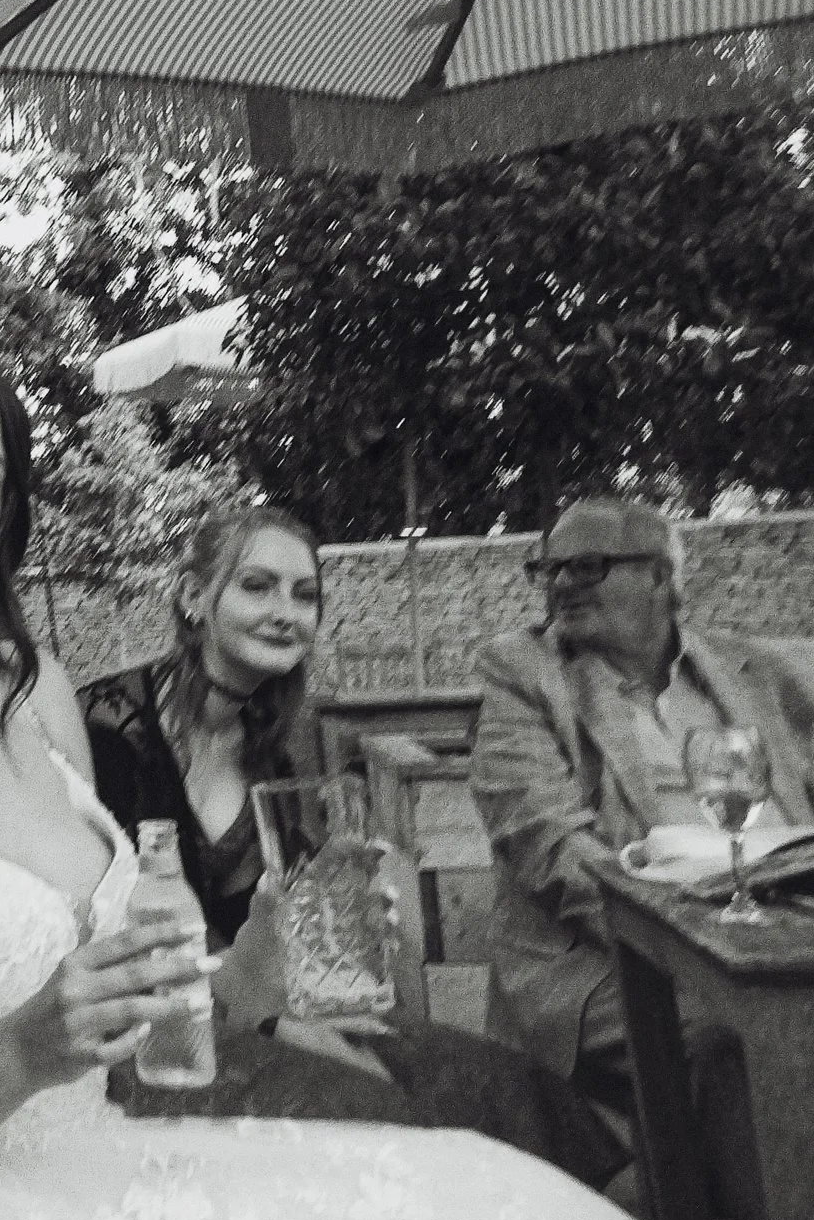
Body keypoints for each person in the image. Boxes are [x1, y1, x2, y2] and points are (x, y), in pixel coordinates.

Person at [0, 341, 788, 1220]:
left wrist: (245, 972)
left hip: (117, 1171)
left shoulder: (28, 697)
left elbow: (141, 1015)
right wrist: (18, 1052)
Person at [81, 506, 621, 1183]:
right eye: (257, 585)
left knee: (509, 1085)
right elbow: (110, 919)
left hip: (270, 1003)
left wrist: (350, 926)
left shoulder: (279, 737)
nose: (286, 611)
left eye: (304, 594)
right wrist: (276, 1023)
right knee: (396, 1116)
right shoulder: (108, 727)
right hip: (156, 1033)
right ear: (193, 597)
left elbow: (287, 913)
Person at [471, 495, 814, 1093]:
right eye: (550, 569)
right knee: (740, 1037)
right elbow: (552, 851)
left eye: (586, 566)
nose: (562, 584)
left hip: (800, 934)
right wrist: (703, 939)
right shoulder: (523, 677)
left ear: (659, 576)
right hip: (612, 964)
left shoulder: (765, 671)